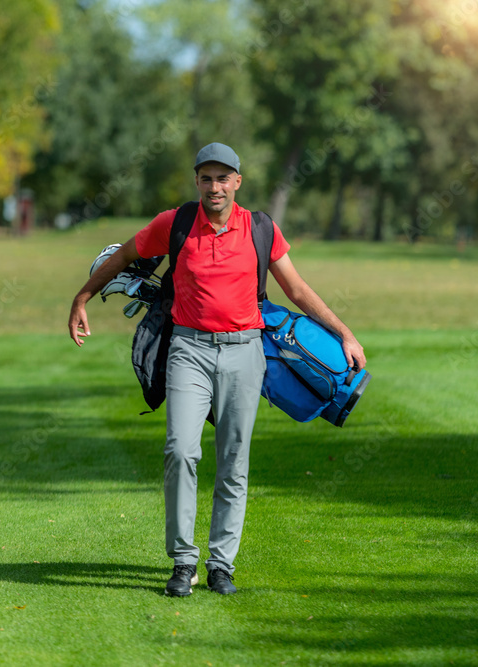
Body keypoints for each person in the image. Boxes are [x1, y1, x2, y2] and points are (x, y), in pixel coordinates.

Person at [68, 143, 366, 597]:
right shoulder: (176, 223)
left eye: (223, 178)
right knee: (180, 451)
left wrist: (345, 333)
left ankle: (220, 564)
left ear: (237, 183)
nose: (215, 187)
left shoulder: (261, 228)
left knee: (233, 462)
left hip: (246, 354)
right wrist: (82, 297)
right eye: (207, 178)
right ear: (197, 182)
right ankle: (183, 561)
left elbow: (298, 290)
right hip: (188, 349)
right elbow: (124, 255)